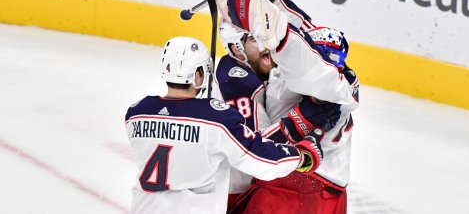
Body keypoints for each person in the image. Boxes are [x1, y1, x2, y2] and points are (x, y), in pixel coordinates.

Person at [213, 0, 359, 214]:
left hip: (286, 188)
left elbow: (298, 47)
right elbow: (304, 34)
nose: (265, 45)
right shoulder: (344, 82)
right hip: (328, 195)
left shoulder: (295, 75)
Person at [125, 36, 325, 214]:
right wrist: (301, 157)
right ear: (198, 75)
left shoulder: (135, 114)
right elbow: (260, 159)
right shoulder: (216, 119)